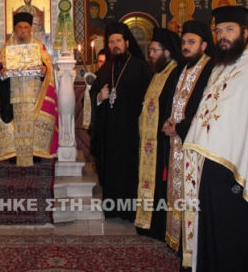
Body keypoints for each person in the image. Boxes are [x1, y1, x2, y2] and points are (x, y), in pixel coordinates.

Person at [182, 6, 248, 271]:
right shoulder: (221, 65)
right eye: (219, 30)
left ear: (245, 33)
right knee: (213, 231)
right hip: (212, 165)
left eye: (229, 29)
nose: (222, 35)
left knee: (234, 235)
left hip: (239, 173)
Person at [159, 20, 214, 257]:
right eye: (184, 42)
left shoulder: (211, 69)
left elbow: (206, 108)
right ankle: (177, 239)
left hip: (194, 144)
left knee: (192, 193)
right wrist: (167, 121)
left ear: (204, 45)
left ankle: (190, 244)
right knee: (176, 190)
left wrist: (180, 128)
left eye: (192, 42)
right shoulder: (182, 68)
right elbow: (171, 101)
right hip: (176, 142)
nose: (186, 46)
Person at [89, 22, 151, 221]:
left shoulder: (141, 67)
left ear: (126, 43)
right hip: (109, 131)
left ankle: (130, 211)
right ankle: (112, 209)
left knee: (130, 170)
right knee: (111, 170)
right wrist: (99, 97)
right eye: (111, 42)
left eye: (118, 41)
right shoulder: (106, 68)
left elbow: (150, 98)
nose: (114, 45)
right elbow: (93, 93)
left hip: (132, 131)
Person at [0, 12, 58, 167]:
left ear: (31, 29)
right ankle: (15, 155)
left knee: (33, 124)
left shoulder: (39, 46)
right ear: (15, 29)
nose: (23, 31)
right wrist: (2, 73)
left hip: (35, 95)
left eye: (26, 27)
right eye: (20, 27)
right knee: (15, 125)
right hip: (13, 94)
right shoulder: (7, 48)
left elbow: (48, 68)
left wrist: (44, 70)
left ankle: (34, 154)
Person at [135, 27, 181, 239]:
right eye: (150, 50)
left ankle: (158, 226)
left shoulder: (175, 73)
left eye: (154, 50)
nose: (151, 54)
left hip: (163, 141)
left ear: (167, 52)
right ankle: (147, 222)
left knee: (160, 184)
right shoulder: (159, 73)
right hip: (150, 141)